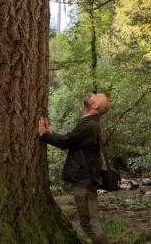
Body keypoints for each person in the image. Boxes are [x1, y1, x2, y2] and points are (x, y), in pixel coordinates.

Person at [38, 93, 110, 244]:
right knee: (89, 223)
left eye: (95, 95)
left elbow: (66, 141)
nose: (92, 94)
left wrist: (44, 134)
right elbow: (71, 140)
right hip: (86, 179)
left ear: (95, 105)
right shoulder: (89, 123)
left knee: (90, 223)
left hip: (85, 180)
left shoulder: (89, 125)